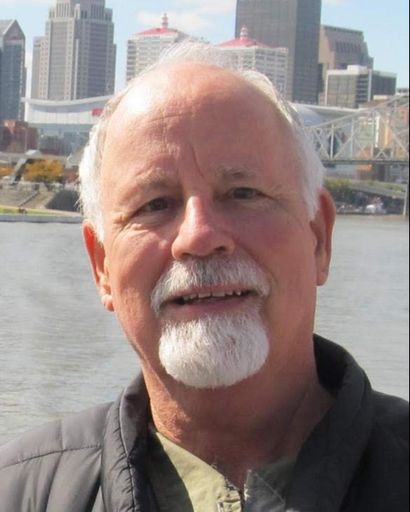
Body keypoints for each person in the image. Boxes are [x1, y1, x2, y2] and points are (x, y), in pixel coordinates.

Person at [0, 44, 408, 512]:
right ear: (102, 266)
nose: (198, 236)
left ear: (318, 238)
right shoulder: (17, 493)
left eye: (243, 193)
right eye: (155, 205)